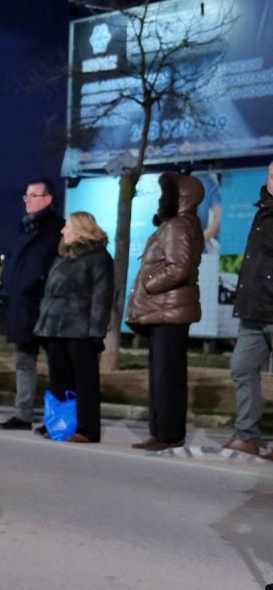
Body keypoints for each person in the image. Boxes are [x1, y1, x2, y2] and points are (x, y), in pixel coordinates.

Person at [126, 172, 204, 451]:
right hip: (167, 310)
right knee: (165, 375)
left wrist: (149, 284)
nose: (161, 200)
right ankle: (163, 432)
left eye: (165, 195)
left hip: (168, 310)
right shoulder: (183, 224)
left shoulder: (177, 226)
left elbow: (179, 268)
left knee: (166, 376)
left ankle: (167, 434)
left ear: (179, 198)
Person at [33, 212, 113, 443]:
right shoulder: (63, 257)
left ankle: (87, 429)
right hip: (54, 329)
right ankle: (61, 423)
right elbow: (50, 295)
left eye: (66, 226)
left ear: (79, 230)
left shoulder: (99, 258)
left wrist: (96, 332)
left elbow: (102, 298)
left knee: (85, 382)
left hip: (80, 330)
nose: (62, 231)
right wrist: (42, 326)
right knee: (59, 379)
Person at [0, 179, 63, 431]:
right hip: (21, 306)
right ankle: (22, 414)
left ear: (48, 199)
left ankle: (57, 418)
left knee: (57, 365)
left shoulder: (58, 229)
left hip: (46, 307)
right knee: (23, 362)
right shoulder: (24, 228)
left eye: (34, 195)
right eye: (26, 196)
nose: (28, 200)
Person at [223, 162, 273, 460]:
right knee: (241, 368)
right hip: (254, 311)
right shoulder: (262, 210)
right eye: (271, 174)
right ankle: (247, 436)